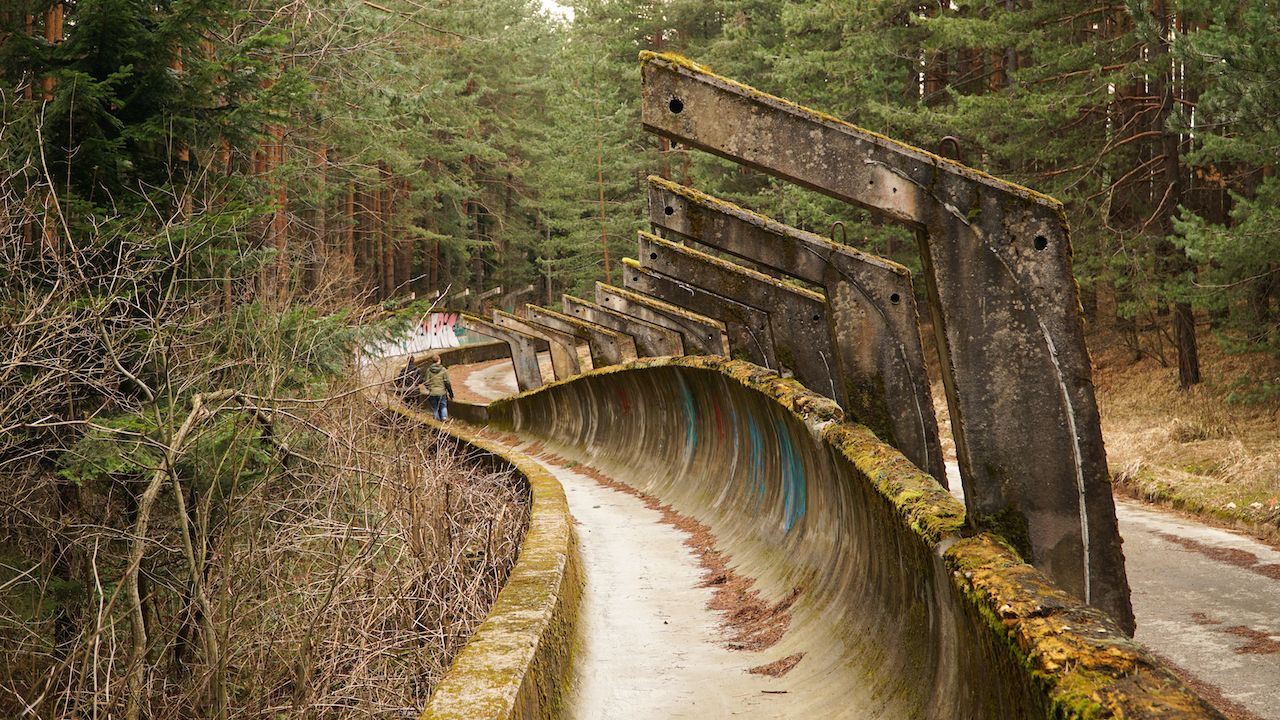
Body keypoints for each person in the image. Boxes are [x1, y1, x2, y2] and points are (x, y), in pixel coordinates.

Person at [423, 353, 454, 421]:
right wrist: (450, 393)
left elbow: (426, 382)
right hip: (442, 392)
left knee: (435, 408)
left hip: (432, 393)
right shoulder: (443, 370)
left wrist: (430, 388)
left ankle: (437, 422)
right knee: (443, 406)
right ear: (439, 360)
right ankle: (444, 418)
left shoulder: (428, 370)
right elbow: (447, 382)